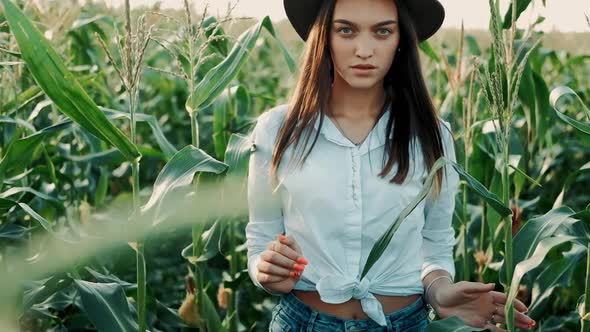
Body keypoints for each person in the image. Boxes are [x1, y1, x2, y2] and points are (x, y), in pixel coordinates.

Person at [245, 0, 535, 331]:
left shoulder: (432, 134)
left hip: (405, 323)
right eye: (346, 30)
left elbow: (435, 242)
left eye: (383, 31)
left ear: (401, 41)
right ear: (323, 37)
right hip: (302, 322)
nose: (364, 50)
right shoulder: (277, 129)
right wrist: (267, 272)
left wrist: (439, 291)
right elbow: (261, 240)